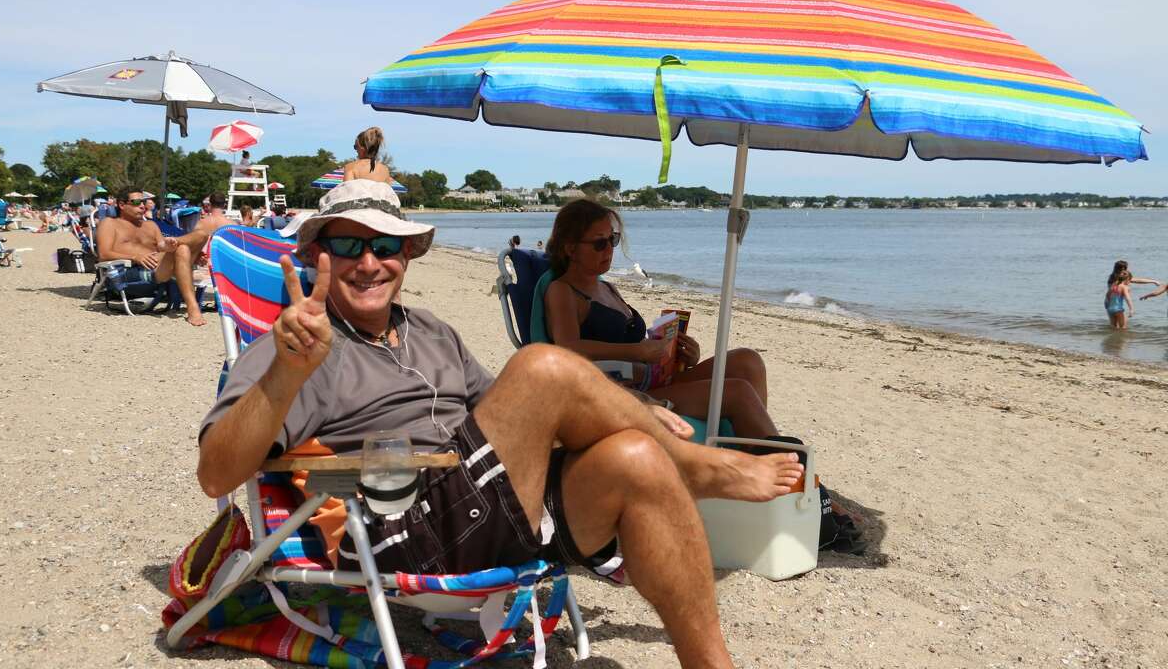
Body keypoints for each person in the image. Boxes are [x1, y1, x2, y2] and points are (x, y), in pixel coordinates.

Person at [196, 180, 805, 668]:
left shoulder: (429, 328)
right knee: (543, 365)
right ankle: (705, 467)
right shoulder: (300, 347)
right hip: (404, 524)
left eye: (386, 246)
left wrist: (636, 420)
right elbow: (217, 473)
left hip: (492, 504)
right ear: (314, 256)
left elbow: (517, 414)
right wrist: (286, 372)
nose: (369, 263)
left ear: (408, 256)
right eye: (348, 246)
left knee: (635, 459)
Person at [543, 199, 777, 438]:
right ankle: (780, 457)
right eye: (599, 243)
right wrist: (638, 352)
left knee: (748, 361)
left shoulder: (608, 288)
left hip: (652, 377)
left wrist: (679, 355)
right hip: (627, 391)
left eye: (612, 240)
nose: (609, 250)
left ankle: (755, 446)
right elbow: (567, 348)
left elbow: (635, 345)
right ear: (570, 249)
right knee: (737, 392)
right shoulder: (563, 290)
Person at [96, 187, 211, 326]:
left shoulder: (150, 225)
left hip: (160, 268)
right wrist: (135, 257)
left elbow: (162, 246)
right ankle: (193, 308)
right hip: (131, 273)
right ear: (121, 205)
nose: (142, 206)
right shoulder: (110, 223)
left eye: (143, 202)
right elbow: (103, 254)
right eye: (136, 202)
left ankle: (192, 305)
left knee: (201, 235)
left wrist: (174, 246)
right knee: (183, 250)